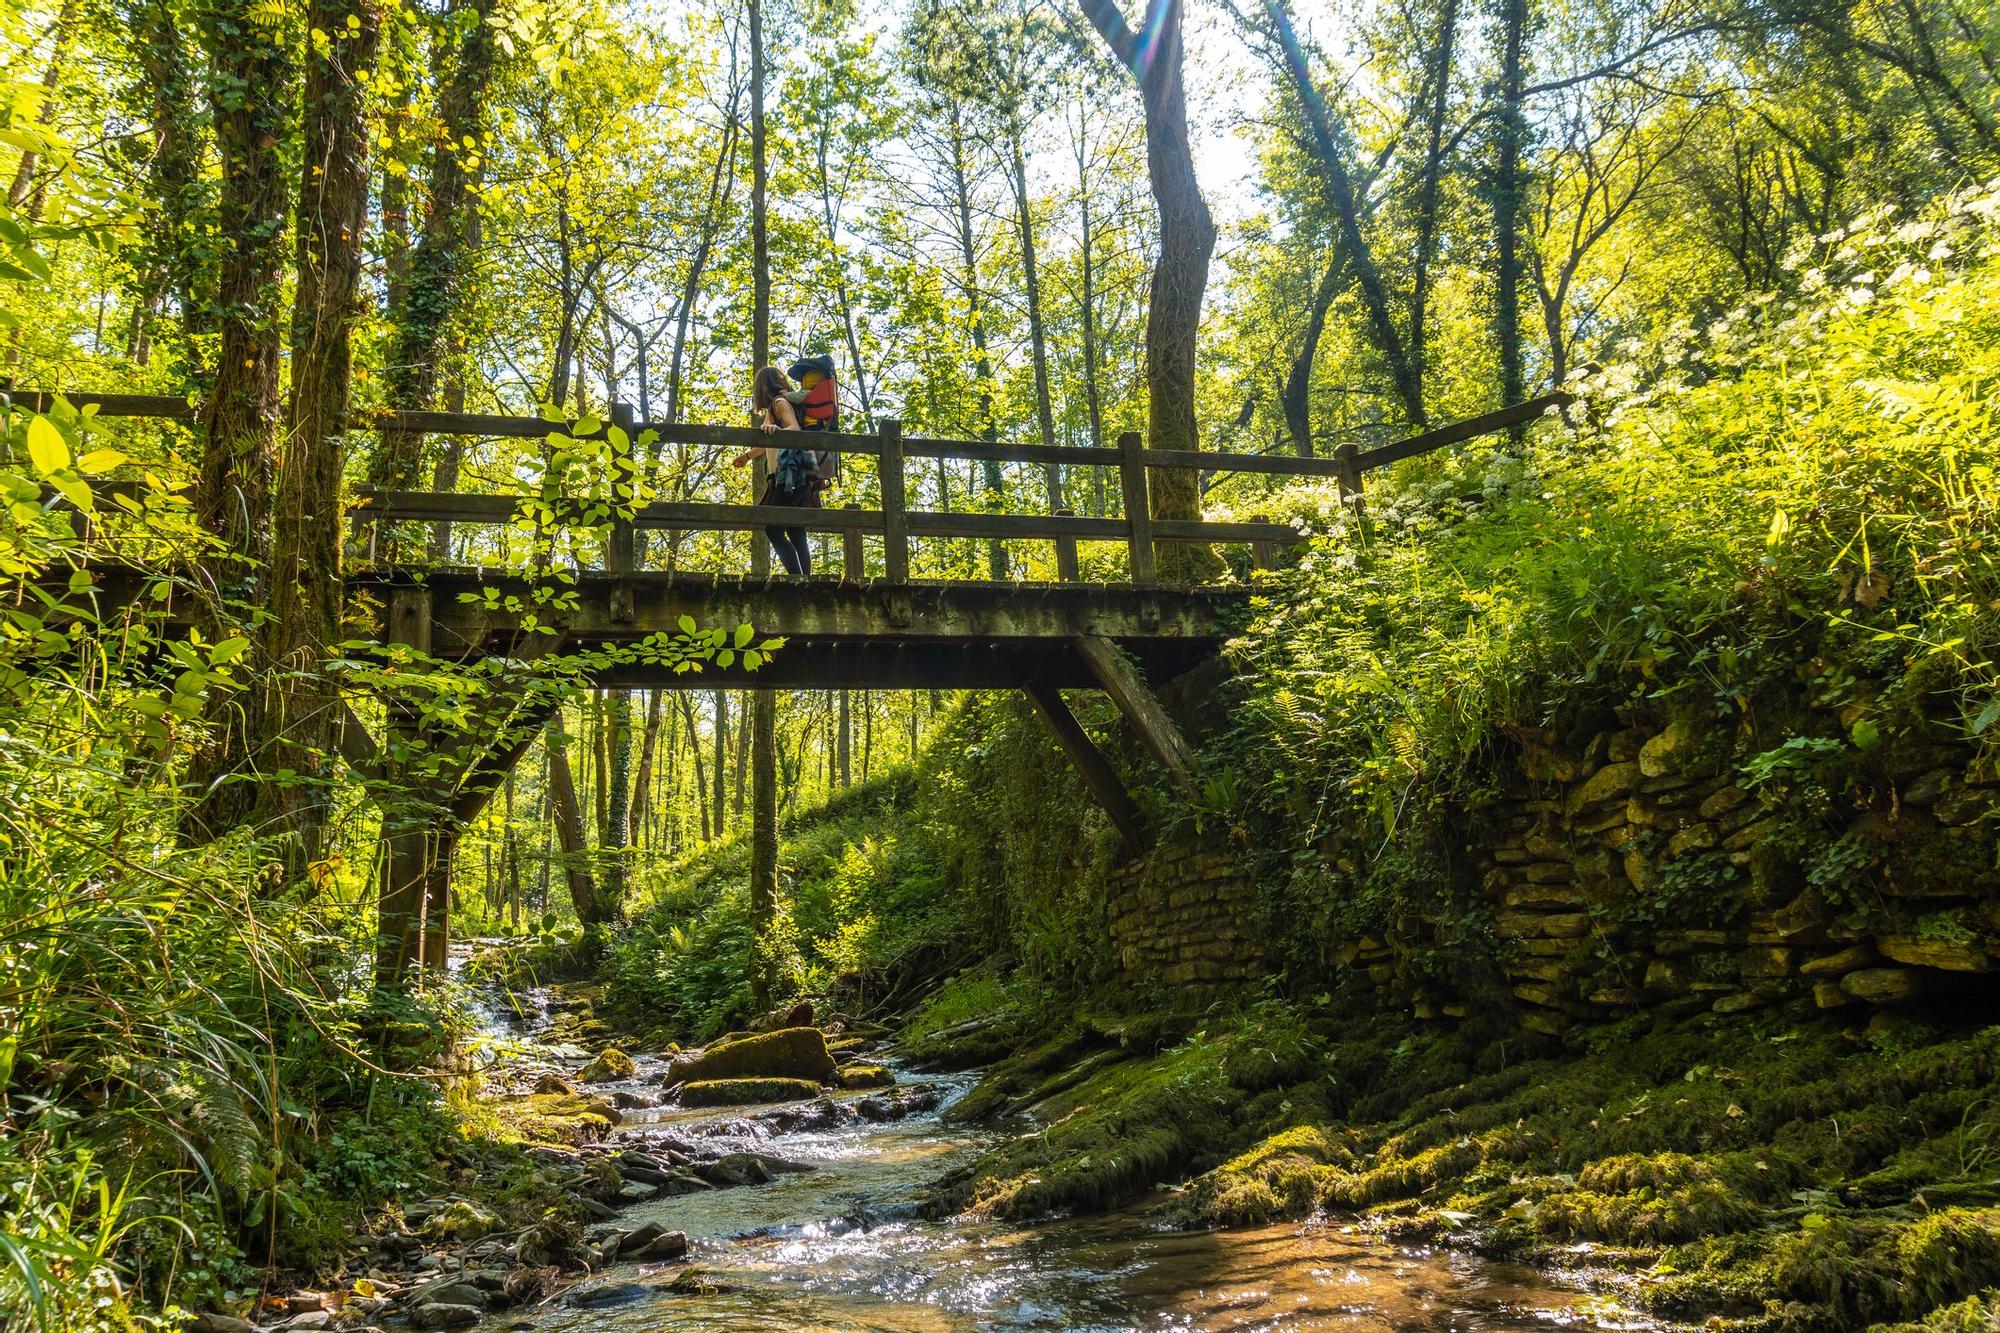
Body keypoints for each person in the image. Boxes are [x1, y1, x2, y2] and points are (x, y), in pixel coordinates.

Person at [733, 365, 818, 576]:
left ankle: (797, 579)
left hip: (791, 476)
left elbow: (793, 428)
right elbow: (765, 445)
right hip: (798, 475)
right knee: (795, 530)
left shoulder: (779, 403)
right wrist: (747, 457)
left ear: (762, 387)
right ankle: (805, 581)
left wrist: (777, 429)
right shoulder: (776, 407)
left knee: (773, 529)